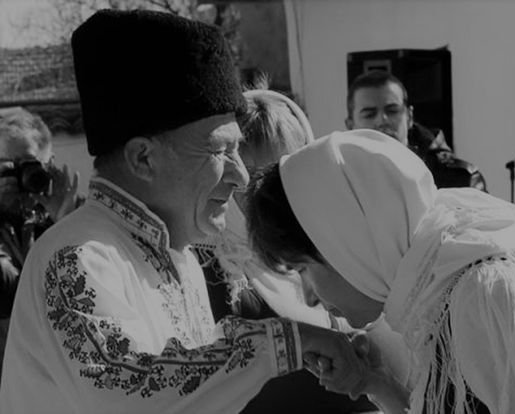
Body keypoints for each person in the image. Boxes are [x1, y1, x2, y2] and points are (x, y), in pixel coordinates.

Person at [0, 10, 363, 414]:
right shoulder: (76, 259)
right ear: (143, 158)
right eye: (220, 151)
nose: (241, 176)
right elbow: (128, 391)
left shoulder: (181, 255)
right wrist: (284, 344)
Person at [246, 129, 515, 414]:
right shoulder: (436, 293)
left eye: (303, 269)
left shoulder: (485, 298)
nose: (309, 298)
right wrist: (376, 384)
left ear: (348, 242)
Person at [196, 83, 380, 413]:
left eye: (282, 176)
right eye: (253, 178)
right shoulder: (206, 268)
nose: (267, 196)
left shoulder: (339, 246)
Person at [0, 106, 80, 379]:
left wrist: (67, 227)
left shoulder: (74, 221)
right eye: (10, 167)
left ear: (50, 165)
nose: (21, 178)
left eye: (31, 166)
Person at [345, 70, 486, 191]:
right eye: (369, 115)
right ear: (350, 126)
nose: (382, 121)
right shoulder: (340, 179)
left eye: (392, 111)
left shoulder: (460, 180)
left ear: (409, 117)